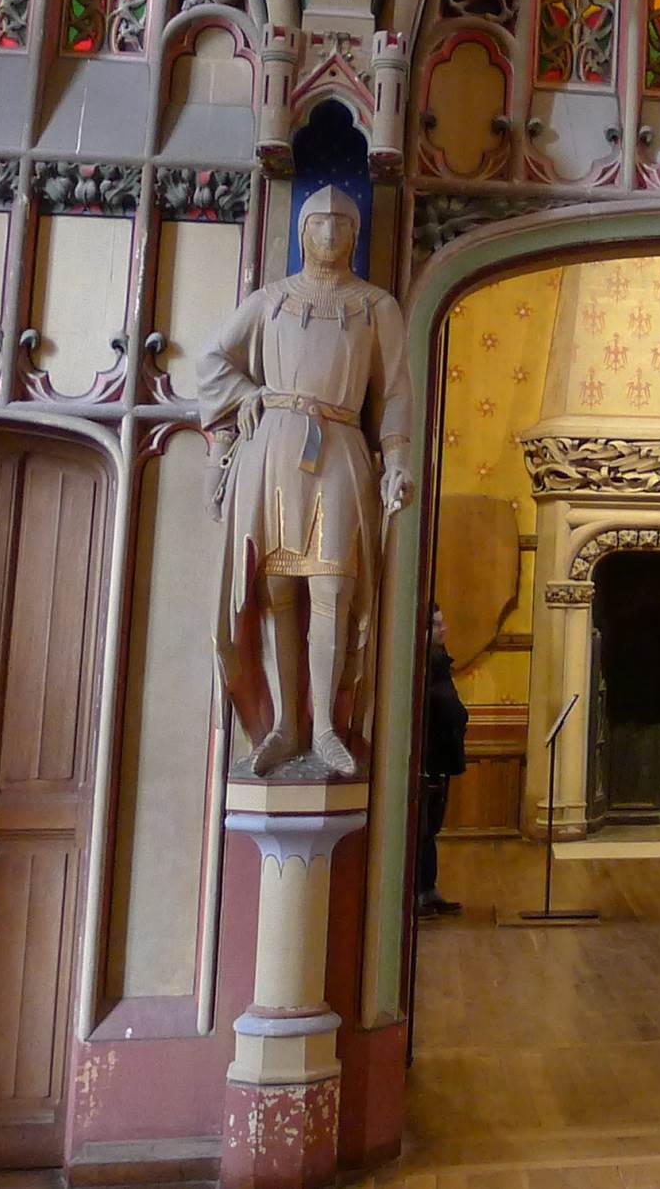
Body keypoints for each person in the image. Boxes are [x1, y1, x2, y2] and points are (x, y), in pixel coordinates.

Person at [195, 187, 414, 778]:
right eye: (319, 222)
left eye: (341, 223)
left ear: (356, 233)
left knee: (334, 586)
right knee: (276, 590)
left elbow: (394, 391)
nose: (330, 233)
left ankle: (325, 730)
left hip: (340, 447)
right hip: (271, 449)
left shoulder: (375, 306)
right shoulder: (270, 301)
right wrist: (246, 393)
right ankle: (286, 726)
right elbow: (212, 361)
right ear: (301, 231)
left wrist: (397, 459)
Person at [418, 603, 467, 918]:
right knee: (421, 829)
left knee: (431, 828)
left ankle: (429, 889)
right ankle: (417, 894)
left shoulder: (438, 661)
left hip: (441, 757)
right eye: (437, 624)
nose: (443, 629)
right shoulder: (423, 666)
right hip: (429, 756)